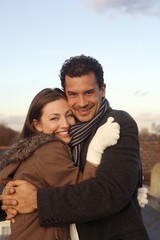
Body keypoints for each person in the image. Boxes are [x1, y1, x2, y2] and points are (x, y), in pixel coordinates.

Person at [0, 55, 149, 240]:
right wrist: (11, 198)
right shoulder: (64, 135)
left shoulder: (116, 123)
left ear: (102, 90)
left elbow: (110, 193)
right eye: (73, 94)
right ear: (65, 94)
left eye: (88, 92)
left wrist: (37, 200)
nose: (81, 103)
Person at [0, 87, 120, 240]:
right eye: (54, 118)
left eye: (68, 115)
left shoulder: (34, 150)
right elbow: (85, 195)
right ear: (37, 125)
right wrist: (95, 150)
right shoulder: (49, 149)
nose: (65, 124)